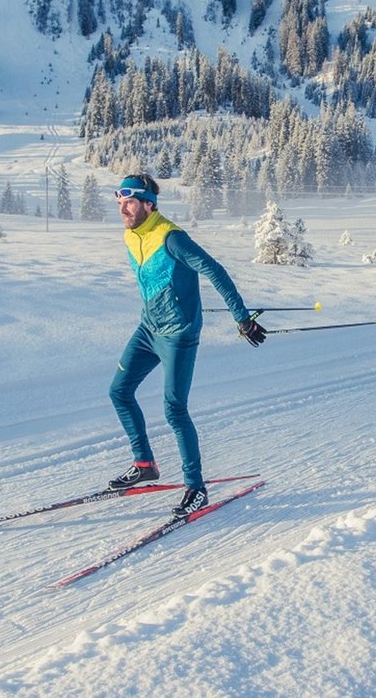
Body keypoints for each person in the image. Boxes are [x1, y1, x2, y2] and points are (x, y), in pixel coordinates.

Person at [106, 172, 266, 516]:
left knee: (174, 410)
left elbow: (215, 270)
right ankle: (145, 464)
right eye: (120, 202)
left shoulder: (171, 237)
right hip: (149, 328)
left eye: (129, 202)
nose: (123, 209)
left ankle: (196, 488)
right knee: (119, 391)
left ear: (149, 204)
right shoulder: (131, 234)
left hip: (178, 333)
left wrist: (242, 317)